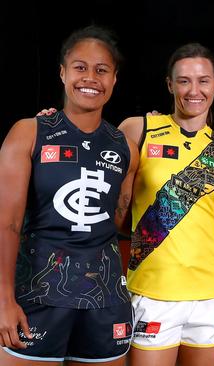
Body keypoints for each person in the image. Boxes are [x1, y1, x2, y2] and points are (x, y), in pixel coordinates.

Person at [0, 25, 138, 365]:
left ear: (114, 79)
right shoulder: (29, 132)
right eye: (80, 67)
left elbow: (120, 219)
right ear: (62, 73)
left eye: (101, 70)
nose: (90, 77)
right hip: (35, 299)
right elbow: (8, 223)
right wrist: (4, 298)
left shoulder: (127, 149)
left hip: (105, 303)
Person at [117, 43, 214, 366]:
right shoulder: (139, 130)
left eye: (203, 80)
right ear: (170, 84)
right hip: (153, 292)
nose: (194, 90)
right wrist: (51, 125)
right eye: (184, 80)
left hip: (211, 295)